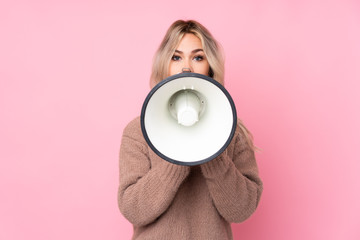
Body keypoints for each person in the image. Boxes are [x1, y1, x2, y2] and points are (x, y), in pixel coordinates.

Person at [117, 20, 263, 240]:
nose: (186, 67)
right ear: (164, 64)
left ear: (209, 66)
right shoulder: (137, 131)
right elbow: (133, 210)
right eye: (176, 57)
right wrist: (176, 152)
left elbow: (242, 210)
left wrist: (213, 150)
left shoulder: (232, 134)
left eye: (198, 57)